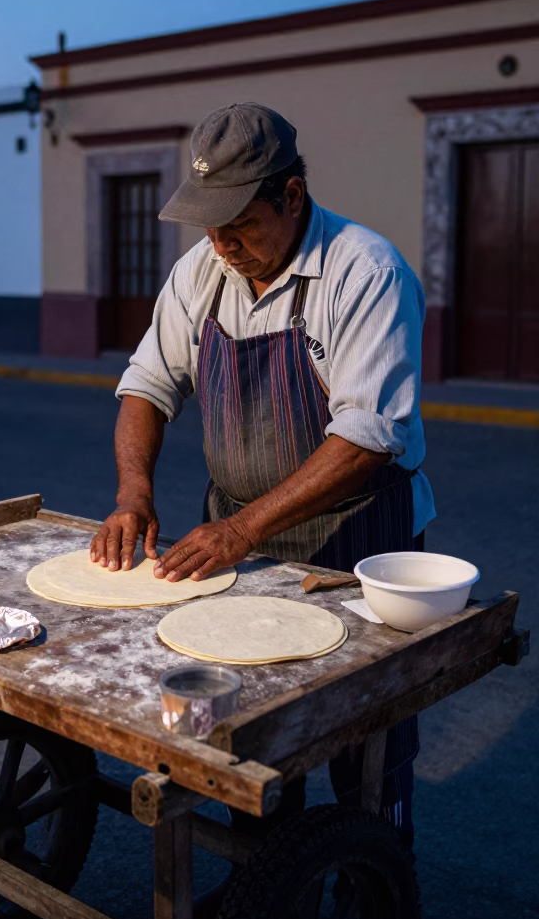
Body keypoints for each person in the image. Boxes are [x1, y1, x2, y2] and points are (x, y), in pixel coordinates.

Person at [91, 102, 434, 845]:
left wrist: (241, 528)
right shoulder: (201, 274)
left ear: (292, 197)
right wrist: (134, 495)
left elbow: (369, 437)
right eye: (209, 227)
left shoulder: (364, 271)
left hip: (356, 542)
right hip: (242, 543)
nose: (222, 244)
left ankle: (368, 898)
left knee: (362, 742)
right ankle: (275, 889)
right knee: (257, 734)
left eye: (239, 224)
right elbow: (148, 386)